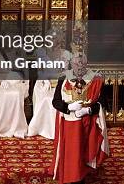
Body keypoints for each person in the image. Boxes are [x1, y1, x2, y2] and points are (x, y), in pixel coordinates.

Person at [49, 52, 109, 184]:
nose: (80, 67)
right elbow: (55, 102)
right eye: (76, 64)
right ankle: (71, 177)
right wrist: (68, 108)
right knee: (71, 155)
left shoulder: (96, 79)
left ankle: (82, 176)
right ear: (72, 64)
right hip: (68, 125)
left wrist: (87, 110)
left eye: (82, 65)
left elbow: (104, 102)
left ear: (86, 64)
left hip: (88, 123)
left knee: (84, 153)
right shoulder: (64, 78)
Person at [28, 29, 72, 139]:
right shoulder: (41, 52)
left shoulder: (66, 54)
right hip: (43, 84)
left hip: (60, 85)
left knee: (61, 98)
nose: (53, 40)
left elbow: (65, 73)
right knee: (47, 100)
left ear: (61, 39)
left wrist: (57, 79)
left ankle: (60, 128)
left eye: (56, 37)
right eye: (51, 37)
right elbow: (41, 73)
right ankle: (44, 128)